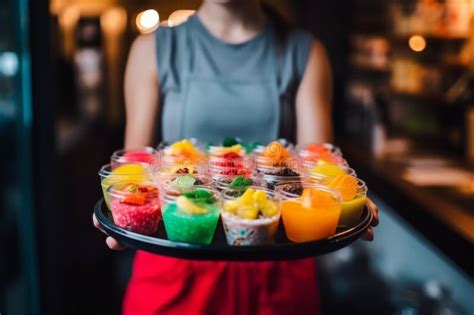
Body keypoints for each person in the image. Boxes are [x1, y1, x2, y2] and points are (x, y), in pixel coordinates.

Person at [93, 0, 379, 314]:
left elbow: (319, 170)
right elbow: (135, 168)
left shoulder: (305, 52)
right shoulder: (152, 49)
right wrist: (121, 212)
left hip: (277, 272)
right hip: (175, 266)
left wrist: (345, 202)